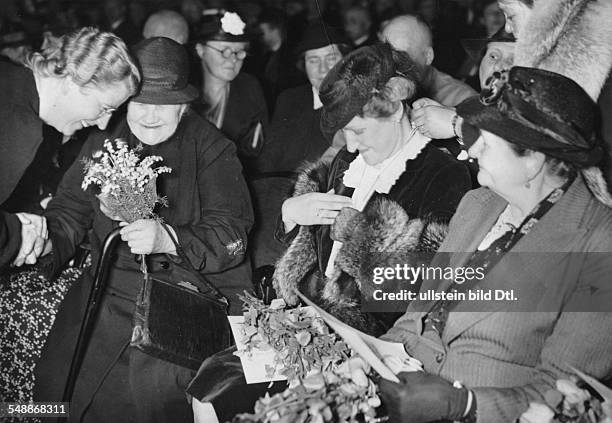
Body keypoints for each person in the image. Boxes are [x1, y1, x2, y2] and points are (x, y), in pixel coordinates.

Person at [186, 43, 472, 423]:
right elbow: (313, 254)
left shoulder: (442, 171)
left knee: (241, 399)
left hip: (378, 342)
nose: (350, 145)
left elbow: (416, 287)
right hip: (311, 322)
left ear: (396, 109)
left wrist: (356, 230)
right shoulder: (347, 162)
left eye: (358, 130)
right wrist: (293, 212)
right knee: (210, 384)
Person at [33, 37, 253, 422]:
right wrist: (44, 241)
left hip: (175, 304)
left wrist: (167, 239)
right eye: (140, 103)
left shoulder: (214, 149)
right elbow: (69, 210)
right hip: (101, 293)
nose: (150, 116)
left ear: (185, 105)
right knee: (52, 397)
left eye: (164, 105)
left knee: (134, 406)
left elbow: (231, 233)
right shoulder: (105, 137)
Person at [377, 65, 612, 423]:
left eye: (485, 141)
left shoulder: (599, 242)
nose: (472, 150)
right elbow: (416, 317)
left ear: (532, 159)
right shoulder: (477, 204)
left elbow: (563, 392)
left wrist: (464, 405)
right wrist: (372, 363)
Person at [0, 26, 139, 268]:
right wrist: (16, 236)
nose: (104, 121)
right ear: (74, 81)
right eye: (105, 108)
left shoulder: (12, 85)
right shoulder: (17, 124)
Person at [258, 21, 351, 173]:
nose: (323, 69)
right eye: (313, 60)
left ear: (346, 61)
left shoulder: (359, 105)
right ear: (304, 65)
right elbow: (267, 159)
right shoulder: (289, 99)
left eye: (331, 58)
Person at [192, 11, 268, 176]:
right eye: (224, 51)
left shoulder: (250, 89)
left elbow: (256, 152)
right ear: (200, 50)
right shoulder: (185, 89)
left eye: (239, 52)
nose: (233, 59)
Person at [380, 14, 476, 108]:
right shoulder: (376, 89)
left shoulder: (461, 99)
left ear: (428, 56)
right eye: (385, 54)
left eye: (402, 57)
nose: (390, 64)